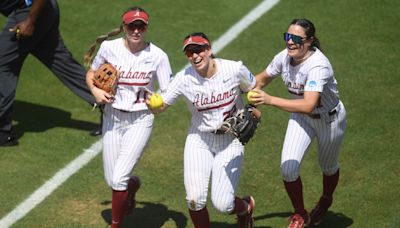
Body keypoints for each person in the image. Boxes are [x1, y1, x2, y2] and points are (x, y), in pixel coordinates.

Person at [148, 32, 255, 228]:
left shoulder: (234, 69)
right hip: (200, 139)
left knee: (223, 204)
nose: (194, 56)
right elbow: (162, 106)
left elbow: (254, 90)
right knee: (194, 200)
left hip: (230, 140)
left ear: (209, 50)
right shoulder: (184, 79)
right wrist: (151, 105)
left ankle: (245, 209)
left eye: (198, 50)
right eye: (189, 53)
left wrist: (255, 111)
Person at [250, 18, 347, 228]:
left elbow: (309, 104)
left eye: (296, 38)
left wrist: (268, 100)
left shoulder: (318, 65)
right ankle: (300, 214)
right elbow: (262, 79)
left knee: (328, 167)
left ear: (310, 41)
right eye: (287, 37)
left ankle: (326, 199)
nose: (290, 42)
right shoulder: (284, 57)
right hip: (300, 118)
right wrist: (238, 90)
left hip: (329, 120)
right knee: (288, 168)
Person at [84, 7, 172, 228]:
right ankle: (131, 187)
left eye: (140, 26)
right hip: (113, 117)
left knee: (118, 178)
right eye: (132, 26)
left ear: (146, 28)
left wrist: (160, 104)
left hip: (140, 120)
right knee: (112, 179)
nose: (136, 31)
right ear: (123, 27)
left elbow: (168, 92)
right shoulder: (109, 48)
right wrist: (95, 92)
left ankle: (116, 224)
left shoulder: (158, 56)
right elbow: (92, 74)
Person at [0, 0, 102, 147]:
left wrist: (30, 20)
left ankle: (2, 131)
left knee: (3, 64)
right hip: (42, 10)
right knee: (61, 63)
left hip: (31, 10)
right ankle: (108, 105)